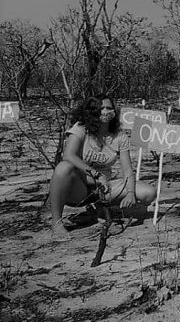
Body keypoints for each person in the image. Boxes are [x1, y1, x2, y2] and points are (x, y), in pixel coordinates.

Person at [49, 94, 155, 238]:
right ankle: (57, 223)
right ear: (92, 111)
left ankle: (102, 207)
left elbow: (127, 170)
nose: (105, 112)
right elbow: (68, 155)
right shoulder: (81, 129)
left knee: (149, 192)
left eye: (109, 108)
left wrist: (130, 193)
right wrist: (96, 175)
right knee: (63, 168)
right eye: (101, 108)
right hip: (81, 187)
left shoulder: (120, 136)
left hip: (105, 189)